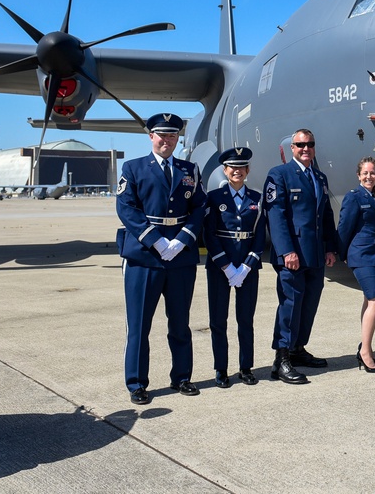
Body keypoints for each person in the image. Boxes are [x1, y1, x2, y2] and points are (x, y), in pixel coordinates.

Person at [116, 113, 206, 405]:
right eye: (161, 135)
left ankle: (182, 377)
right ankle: (137, 383)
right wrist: (155, 240)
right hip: (144, 257)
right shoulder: (133, 168)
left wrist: (182, 239)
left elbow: (199, 206)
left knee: (180, 323)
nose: (167, 140)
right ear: (151, 136)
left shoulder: (189, 169)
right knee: (140, 325)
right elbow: (127, 209)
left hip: (180, 257)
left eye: (172, 135)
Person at [263, 129, 337, 384]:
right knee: (290, 306)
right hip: (292, 255)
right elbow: (276, 216)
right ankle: (281, 358)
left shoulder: (319, 176)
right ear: (291, 148)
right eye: (300, 145)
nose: (306, 149)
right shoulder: (279, 175)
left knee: (308, 306)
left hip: (315, 254)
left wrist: (330, 248)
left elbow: (325, 215)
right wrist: (286, 251)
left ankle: (297, 349)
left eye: (310, 144)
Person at [203, 147, 266, 388]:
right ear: (225, 170)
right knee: (218, 320)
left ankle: (246, 367)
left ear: (248, 170)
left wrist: (246, 266)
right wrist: (227, 266)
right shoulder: (214, 198)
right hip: (220, 268)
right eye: (232, 167)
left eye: (241, 167)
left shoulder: (257, 199)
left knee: (245, 320)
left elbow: (260, 236)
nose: (237, 171)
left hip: (248, 270)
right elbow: (209, 234)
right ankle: (221, 369)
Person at [338, 157, 375, 373]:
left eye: (372, 173)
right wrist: (341, 254)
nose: (368, 176)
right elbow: (344, 227)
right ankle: (365, 353)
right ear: (358, 176)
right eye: (365, 173)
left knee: (369, 300)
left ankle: (365, 346)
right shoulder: (354, 197)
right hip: (361, 255)